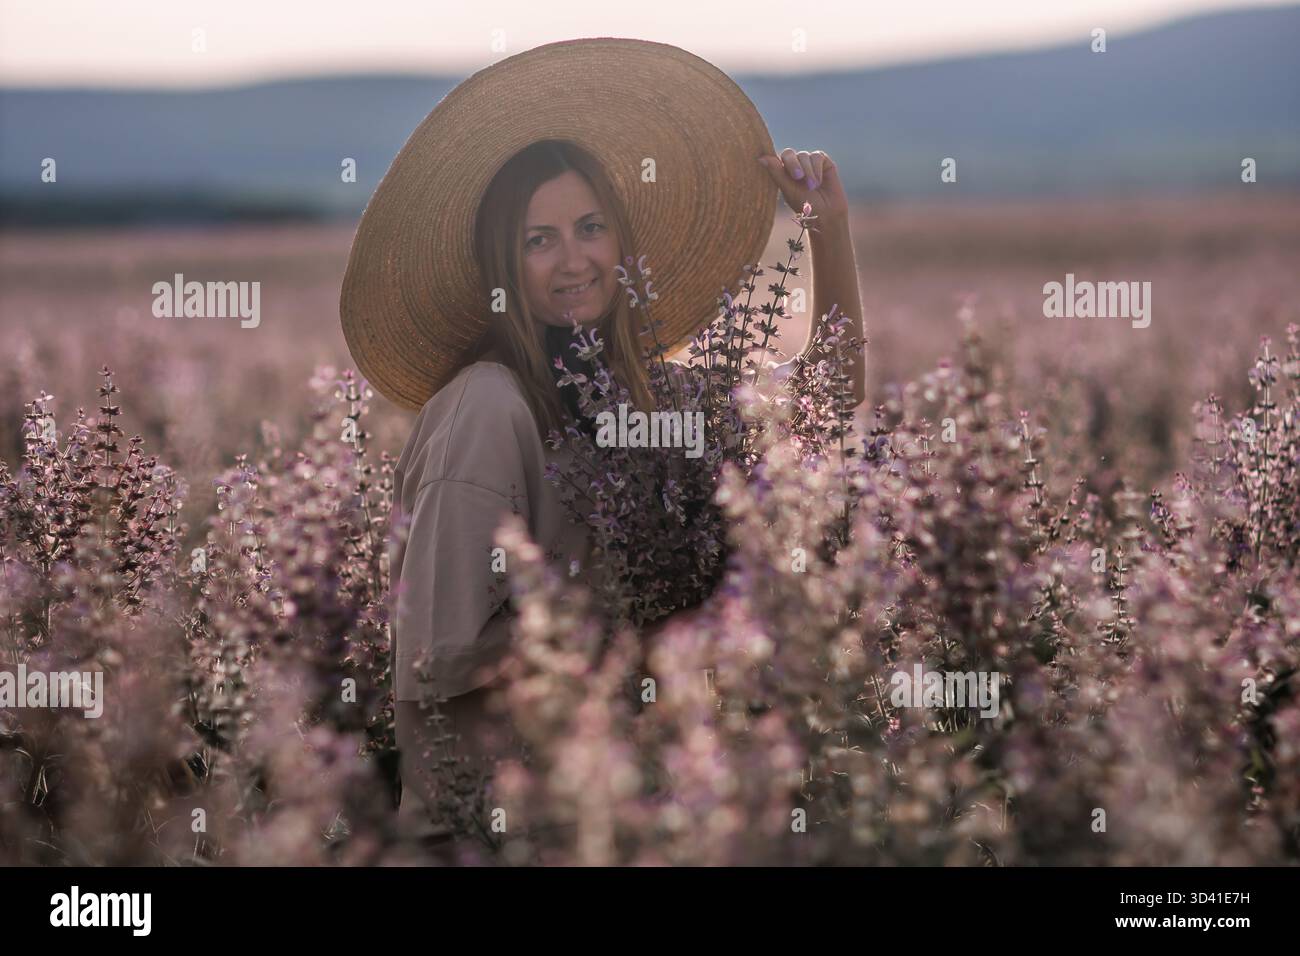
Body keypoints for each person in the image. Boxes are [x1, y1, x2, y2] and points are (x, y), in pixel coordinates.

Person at [339, 37, 864, 851]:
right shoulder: (486, 405)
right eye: (539, 239)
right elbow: (440, 657)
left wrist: (827, 234)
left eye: (591, 227)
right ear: (502, 265)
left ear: (623, 245)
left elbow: (824, 417)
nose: (573, 259)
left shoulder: (648, 391)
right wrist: (646, 643)